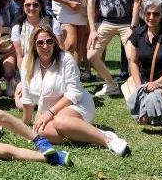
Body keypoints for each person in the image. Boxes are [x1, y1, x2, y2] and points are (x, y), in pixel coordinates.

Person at [20, 26, 131, 157]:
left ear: (54, 43)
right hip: (50, 112)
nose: (45, 46)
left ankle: (108, 140)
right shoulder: (28, 62)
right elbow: (27, 99)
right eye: (40, 42)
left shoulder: (65, 59)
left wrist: (50, 113)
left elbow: (74, 93)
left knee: (60, 121)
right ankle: (89, 132)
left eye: (49, 41)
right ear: (34, 45)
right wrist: (25, 124)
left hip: (76, 103)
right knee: (41, 132)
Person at [84, 0, 136, 98]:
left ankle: (135, 86)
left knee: (132, 56)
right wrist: (93, 30)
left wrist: (134, 24)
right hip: (106, 21)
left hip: (126, 22)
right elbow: (90, 2)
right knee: (91, 55)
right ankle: (111, 84)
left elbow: (136, 0)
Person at [125, 0, 162, 129]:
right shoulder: (137, 34)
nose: (151, 17)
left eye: (156, 14)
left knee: (160, 94)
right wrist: (139, 86)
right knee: (144, 120)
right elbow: (133, 62)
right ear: (143, 13)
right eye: (148, 13)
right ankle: (156, 109)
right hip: (146, 81)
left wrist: (158, 83)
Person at [11, 0, 61, 109]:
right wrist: (24, 81)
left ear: (41, 6)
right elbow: (19, 57)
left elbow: (59, 51)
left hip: (50, 69)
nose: (31, 8)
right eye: (27, 5)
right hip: (28, 71)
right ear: (23, 8)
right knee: (22, 105)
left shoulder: (53, 24)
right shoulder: (17, 28)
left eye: (35, 4)